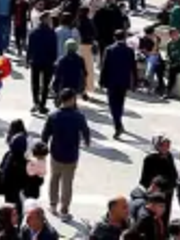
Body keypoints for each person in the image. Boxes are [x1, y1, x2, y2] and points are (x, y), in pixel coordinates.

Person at [41, 89, 90, 220]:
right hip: (71, 155)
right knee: (67, 183)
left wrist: (43, 147)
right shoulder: (78, 116)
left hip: (56, 154)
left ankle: (53, 205)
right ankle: (64, 210)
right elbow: (85, 131)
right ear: (72, 99)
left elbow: (45, 134)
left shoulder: (53, 116)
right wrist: (86, 142)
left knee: (54, 179)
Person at [99, 30, 137, 138]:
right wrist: (135, 82)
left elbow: (104, 66)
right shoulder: (129, 50)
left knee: (112, 104)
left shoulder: (109, 49)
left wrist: (101, 81)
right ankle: (119, 122)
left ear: (114, 38)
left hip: (111, 81)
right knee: (120, 103)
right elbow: (133, 68)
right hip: (124, 81)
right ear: (124, 38)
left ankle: (118, 125)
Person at [27, 14, 58, 114]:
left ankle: (36, 102)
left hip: (36, 60)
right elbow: (54, 48)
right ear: (45, 20)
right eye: (49, 19)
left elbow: (30, 47)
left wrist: (28, 59)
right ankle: (42, 104)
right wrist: (54, 59)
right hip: (48, 61)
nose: (50, 21)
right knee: (45, 84)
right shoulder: (51, 33)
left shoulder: (33, 32)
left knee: (35, 83)